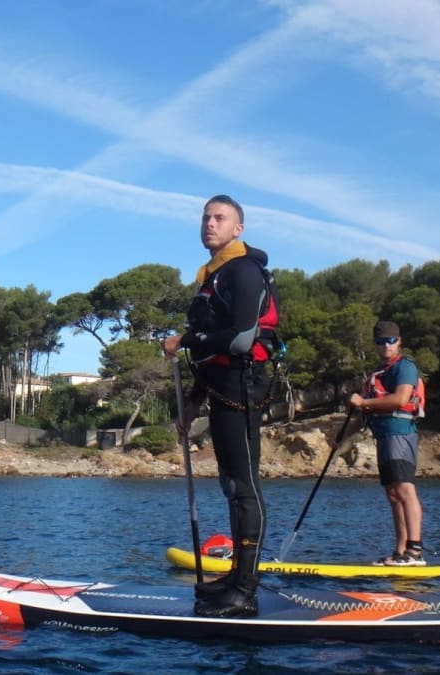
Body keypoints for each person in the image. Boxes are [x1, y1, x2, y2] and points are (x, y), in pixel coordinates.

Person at [162, 194, 277, 617]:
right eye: (206, 217)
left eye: (220, 218)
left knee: (244, 486)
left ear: (238, 228)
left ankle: (245, 589)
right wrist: (192, 404)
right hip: (220, 386)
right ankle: (233, 578)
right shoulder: (212, 276)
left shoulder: (244, 270)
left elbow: (241, 336)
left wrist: (184, 340)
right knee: (231, 486)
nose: (210, 223)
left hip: (244, 388)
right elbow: (209, 352)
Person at [347, 320, 426, 566]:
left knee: (404, 489)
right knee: (392, 494)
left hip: (400, 433)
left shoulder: (405, 367)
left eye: (391, 341)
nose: (386, 346)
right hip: (384, 436)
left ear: (399, 342)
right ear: (375, 345)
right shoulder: (376, 374)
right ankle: (400, 551)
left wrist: (363, 403)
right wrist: (340, 437)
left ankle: (415, 551)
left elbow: (400, 399)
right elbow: (364, 414)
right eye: (381, 342)